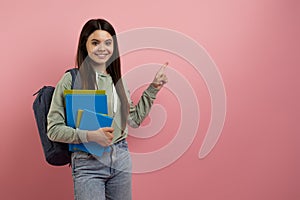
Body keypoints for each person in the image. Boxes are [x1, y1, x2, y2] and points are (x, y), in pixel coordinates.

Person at [47, 18, 168, 200]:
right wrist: (90, 136)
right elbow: (54, 130)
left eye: (108, 43)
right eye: (95, 42)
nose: (102, 48)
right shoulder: (71, 81)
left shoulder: (117, 82)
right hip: (87, 163)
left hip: (120, 158)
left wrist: (154, 87)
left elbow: (134, 120)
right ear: (84, 46)